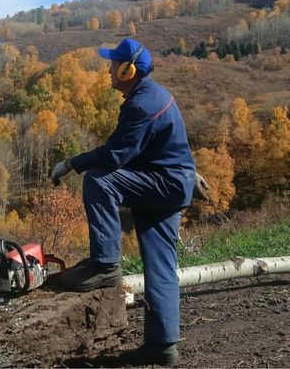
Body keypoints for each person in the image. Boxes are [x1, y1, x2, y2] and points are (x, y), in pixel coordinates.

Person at [50, 37, 196, 367]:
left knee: (99, 178)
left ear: (128, 70)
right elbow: (165, 144)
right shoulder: (150, 95)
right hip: (171, 184)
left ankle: (104, 265)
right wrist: (190, 174)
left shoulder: (141, 105)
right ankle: (162, 345)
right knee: (160, 265)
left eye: (113, 64)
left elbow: (115, 155)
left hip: (164, 184)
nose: (108, 69)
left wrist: (72, 163)